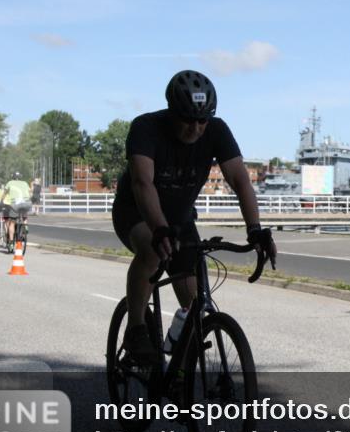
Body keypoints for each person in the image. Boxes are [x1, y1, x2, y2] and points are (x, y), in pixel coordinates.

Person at [112, 70, 276, 363]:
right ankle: (136, 329)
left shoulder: (216, 129)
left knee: (194, 309)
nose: (196, 128)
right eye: (187, 119)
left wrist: (256, 229)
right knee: (152, 249)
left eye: (203, 120)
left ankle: (177, 368)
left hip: (181, 219)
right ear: (172, 111)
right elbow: (142, 183)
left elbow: (240, 180)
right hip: (135, 211)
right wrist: (159, 228)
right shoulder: (146, 127)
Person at [1, 173, 32, 241]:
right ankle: (25, 226)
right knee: (24, 215)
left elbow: (4, 193)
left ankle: (11, 242)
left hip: (15, 204)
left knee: (12, 222)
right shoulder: (25, 183)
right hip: (26, 202)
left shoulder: (10, 183)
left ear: (13, 177)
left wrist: (1, 201)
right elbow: (30, 192)